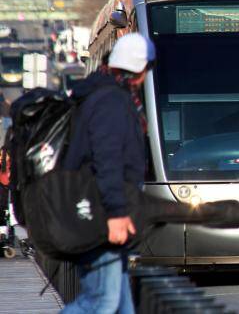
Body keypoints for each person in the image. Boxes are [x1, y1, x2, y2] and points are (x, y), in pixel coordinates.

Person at [60, 33, 156, 314]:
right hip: (99, 214)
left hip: (99, 210)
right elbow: (107, 160)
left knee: (123, 306)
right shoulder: (111, 101)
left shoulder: (106, 95)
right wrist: (116, 213)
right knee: (101, 301)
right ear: (140, 69)